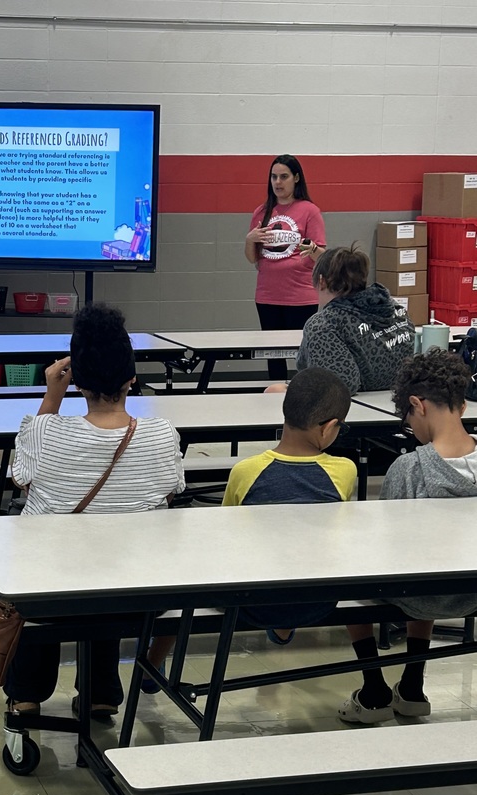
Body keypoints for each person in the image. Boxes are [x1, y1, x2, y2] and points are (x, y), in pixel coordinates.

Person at [3, 303, 185, 719]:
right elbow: (171, 494)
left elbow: (22, 478)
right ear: (132, 377)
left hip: (55, 592)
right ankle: (101, 693)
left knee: (52, 562)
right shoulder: (163, 433)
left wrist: (52, 395)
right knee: (111, 553)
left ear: (76, 379)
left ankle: (27, 695)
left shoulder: (45, 429)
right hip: (137, 594)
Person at [143, 368, 356, 689]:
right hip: (317, 599)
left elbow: (227, 535)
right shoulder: (345, 471)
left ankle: (151, 667)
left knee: (191, 576)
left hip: (249, 602)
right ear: (328, 429)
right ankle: (283, 630)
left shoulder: (246, 471)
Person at [338, 349, 477, 724]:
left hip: (420, 592)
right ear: (462, 405)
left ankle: (373, 690)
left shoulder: (408, 468)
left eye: (408, 417)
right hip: (472, 592)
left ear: (418, 404)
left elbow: (390, 549)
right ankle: (412, 684)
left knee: (347, 578)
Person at [294, 245, 415, 395]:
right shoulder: (396, 310)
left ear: (321, 281)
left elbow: (337, 386)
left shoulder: (324, 325)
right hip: (403, 401)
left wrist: (291, 390)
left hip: (357, 409)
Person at [245, 155, 326, 362]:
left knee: (303, 352)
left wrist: (313, 248)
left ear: (296, 178)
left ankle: (303, 392)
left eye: (283, 176)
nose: (278, 182)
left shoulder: (310, 211)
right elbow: (252, 257)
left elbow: (322, 257)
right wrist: (249, 239)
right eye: (274, 177)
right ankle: (274, 390)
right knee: (273, 354)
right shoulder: (262, 212)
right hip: (267, 295)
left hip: (301, 296)